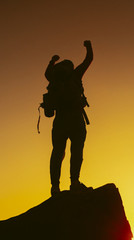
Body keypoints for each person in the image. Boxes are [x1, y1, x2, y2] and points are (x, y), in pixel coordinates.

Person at [44, 40, 93, 196]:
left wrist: (52, 60)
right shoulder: (75, 74)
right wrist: (88, 46)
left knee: (58, 152)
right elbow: (88, 59)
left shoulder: (54, 77)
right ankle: (75, 183)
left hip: (60, 121)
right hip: (76, 119)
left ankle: (55, 187)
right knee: (76, 151)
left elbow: (46, 73)